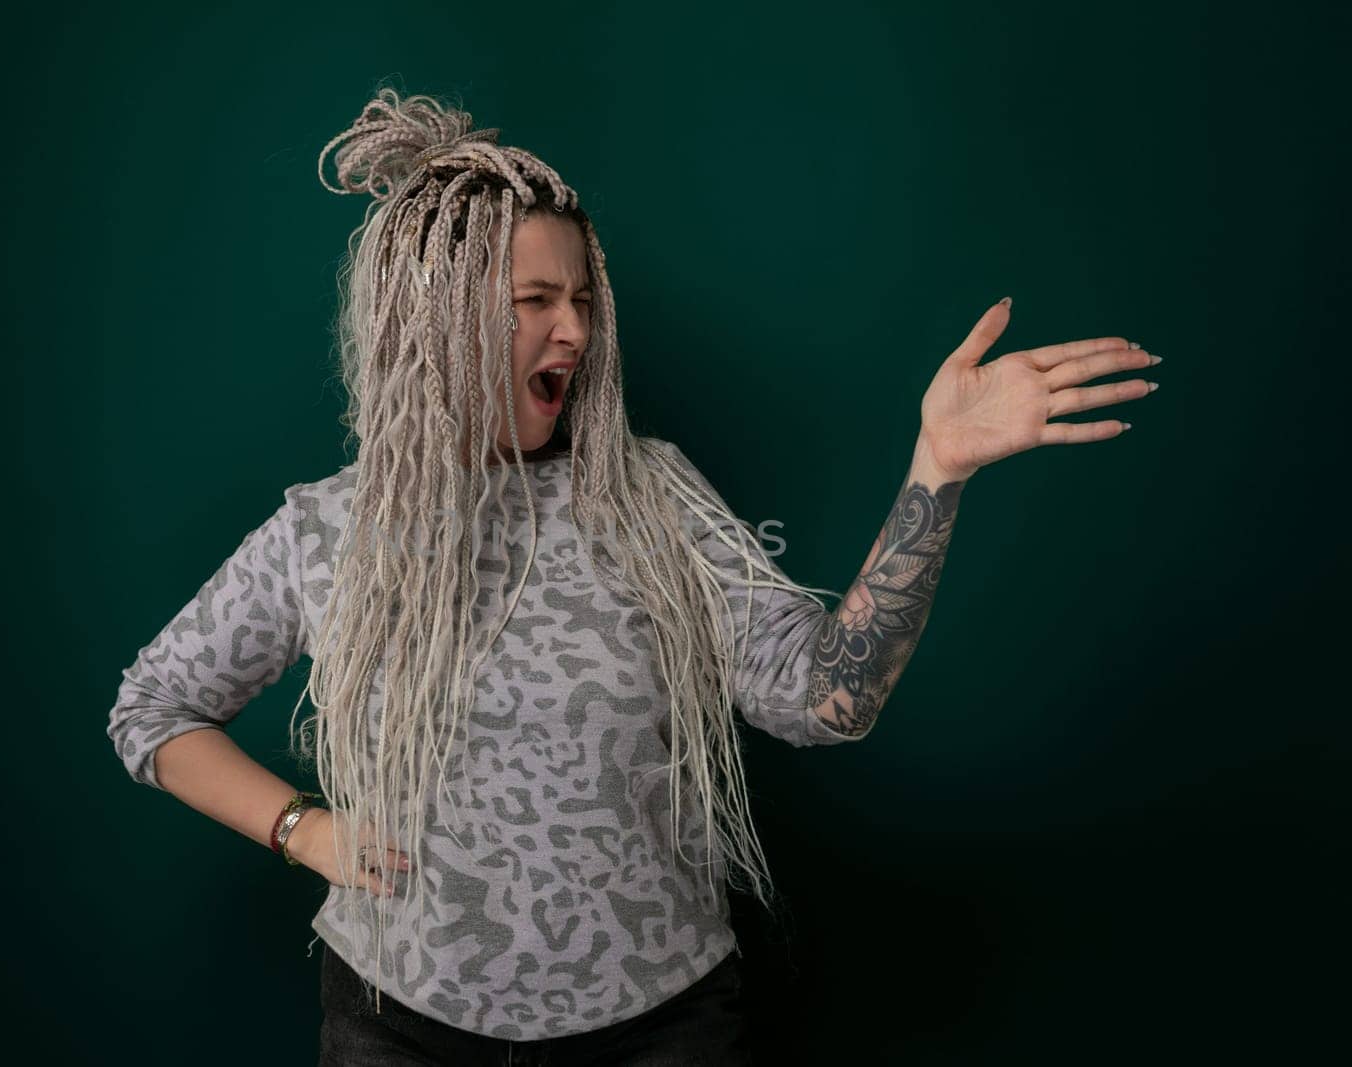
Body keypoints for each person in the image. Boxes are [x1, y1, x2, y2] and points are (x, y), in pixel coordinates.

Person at [105, 87, 1158, 1065]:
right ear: (431, 318)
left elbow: (828, 700)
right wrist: (304, 828)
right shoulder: (329, 526)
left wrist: (937, 469)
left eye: (579, 297)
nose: (574, 327)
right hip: (397, 1024)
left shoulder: (652, 494)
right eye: (532, 298)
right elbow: (152, 710)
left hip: (663, 1028)